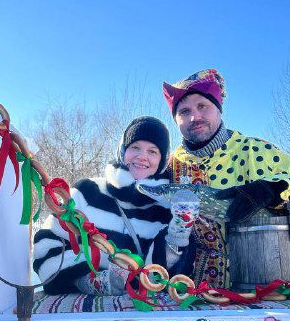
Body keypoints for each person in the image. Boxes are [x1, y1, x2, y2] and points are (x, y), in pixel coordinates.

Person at [33, 116, 196, 295]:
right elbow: (46, 248)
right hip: (83, 315)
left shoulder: (167, 208)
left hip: (143, 315)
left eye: (152, 151)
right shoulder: (88, 192)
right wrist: (88, 280)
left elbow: (172, 279)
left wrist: (177, 237)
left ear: (162, 161)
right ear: (122, 151)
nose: (142, 157)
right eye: (135, 147)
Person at [163, 68, 290, 286]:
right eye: (184, 111)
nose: (195, 117)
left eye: (202, 106)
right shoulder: (172, 166)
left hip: (266, 291)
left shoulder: (254, 150)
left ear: (218, 109)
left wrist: (273, 189)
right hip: (194, 294)